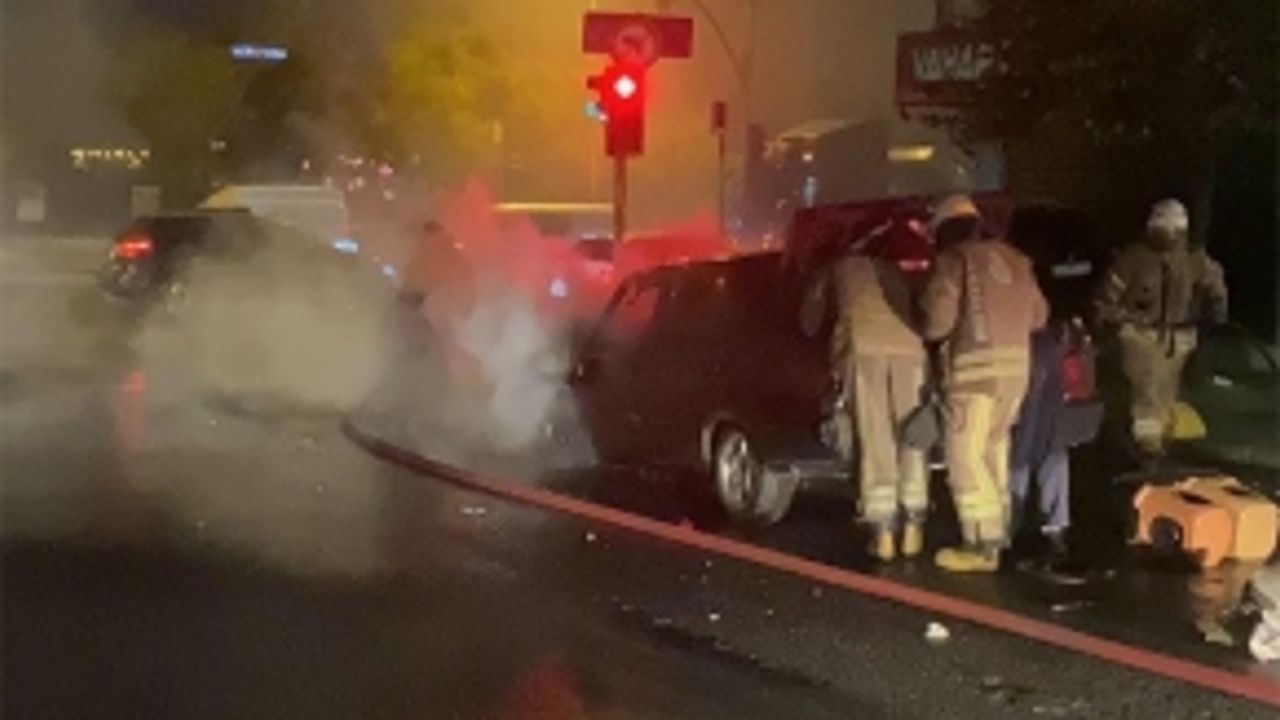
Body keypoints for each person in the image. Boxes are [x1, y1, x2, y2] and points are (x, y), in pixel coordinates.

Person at [921, 195, 1049, 573]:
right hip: (1016, 374)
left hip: (973, 375)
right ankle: (1000, 532)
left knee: (965, 455)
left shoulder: (954, 261)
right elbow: (1039, 316)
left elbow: (938, 322)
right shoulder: (1017, 260)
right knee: (994, 449)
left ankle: (980, 544)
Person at [825, 218, 930, 561]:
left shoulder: (836, 270)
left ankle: (883, 532)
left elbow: (809, 321)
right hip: (910, 351)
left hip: (865, 351)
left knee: (876, 436)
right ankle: (913, 525)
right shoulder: (894, 271)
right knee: (910, 436)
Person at [1095, 198, 1228, 462]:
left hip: (1178, 338)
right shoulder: (1133, 259)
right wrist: (1123, 319)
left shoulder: (1194, 259)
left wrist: (1216, 316)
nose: (1169, 234)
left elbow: (1216, 289)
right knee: (1147, 392)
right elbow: (1105, 301)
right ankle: (1148, 448)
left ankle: (1158, 442)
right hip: (1141, 336)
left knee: (1165, 393)